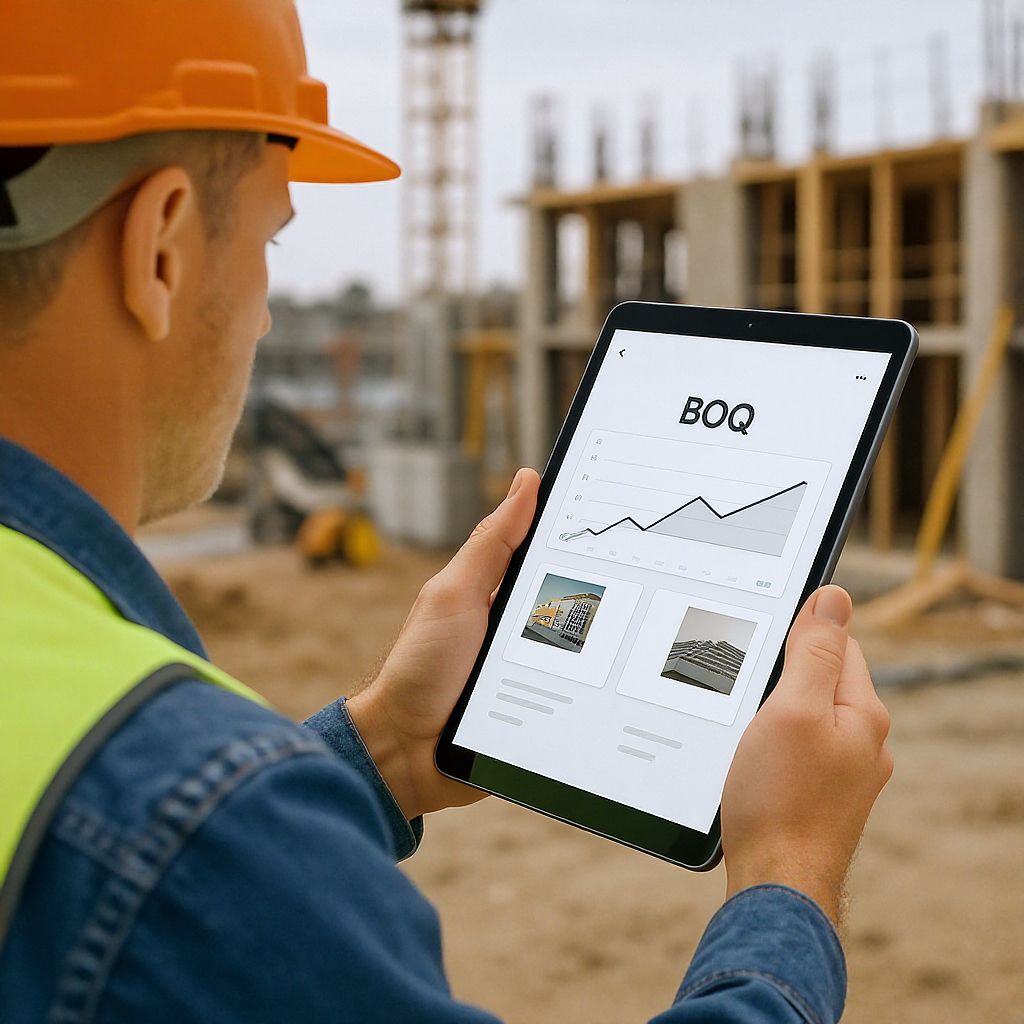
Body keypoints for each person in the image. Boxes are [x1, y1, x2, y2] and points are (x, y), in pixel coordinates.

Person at [0, 2, 893, 1021]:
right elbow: (167, 849)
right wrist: (789, 876)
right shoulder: (186, 818)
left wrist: (380, 745)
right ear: (160, 247)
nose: (267, 311)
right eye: (270, 243)